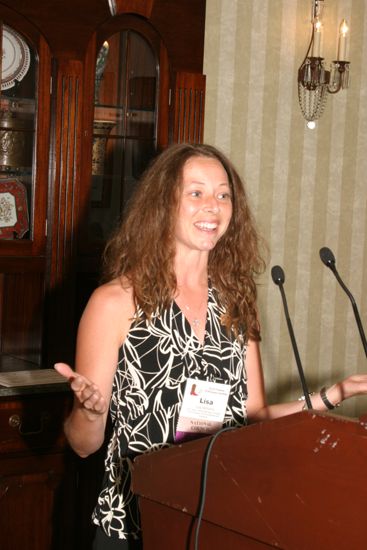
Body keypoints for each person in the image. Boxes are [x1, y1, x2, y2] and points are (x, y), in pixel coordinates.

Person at [55, 142, 367, 549]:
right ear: (163, 204)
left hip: (220, 519)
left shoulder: (236, 301)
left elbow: (256, 415)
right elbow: (82, 445)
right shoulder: (114, 303)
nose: (214, 206)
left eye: (223, 195)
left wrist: (334, 395)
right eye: (196, 192)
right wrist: (90, 411)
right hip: (136, 524)